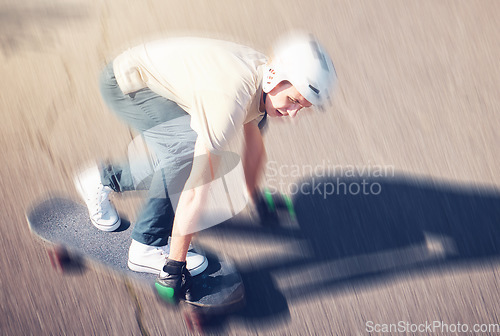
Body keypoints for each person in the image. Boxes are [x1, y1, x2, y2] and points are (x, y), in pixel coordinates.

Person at [74, 33, 337, 300]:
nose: (293, 115)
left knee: (179, 154)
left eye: (301, 107)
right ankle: (146, 246)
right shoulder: (232, 98)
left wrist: (255, 199)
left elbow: (254, 144)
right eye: (293, 100)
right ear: (275, 78)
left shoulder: (264, 83)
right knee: (185, 153)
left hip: (156, 80)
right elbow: (195, 189)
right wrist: (174, 267)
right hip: (127, 84)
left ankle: (102, 179)